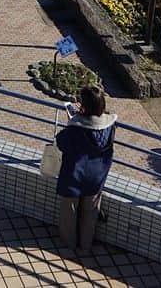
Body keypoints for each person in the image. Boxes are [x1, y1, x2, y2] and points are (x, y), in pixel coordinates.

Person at [55, 83, 117, 257]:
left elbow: (61, 142)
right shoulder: (110, 125)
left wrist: (72, 121)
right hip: (97, 176)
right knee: (90, 213)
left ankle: (69, 246)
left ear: (83, 106)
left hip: (74, 175)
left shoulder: (76, 128)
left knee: (70, 211)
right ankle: (85, 247)